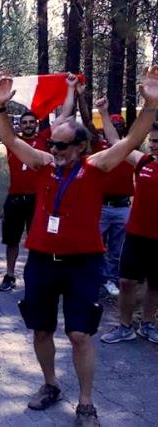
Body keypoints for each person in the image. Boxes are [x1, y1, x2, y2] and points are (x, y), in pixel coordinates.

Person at [0, 66, 158, 426]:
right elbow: (10, 141)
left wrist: (151, 106)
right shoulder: (43, 164)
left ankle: (86, 403)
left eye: (62, 145)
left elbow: (131, 142)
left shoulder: (96, 166)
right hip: (41, 261)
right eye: (52, 144)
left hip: (83, 263)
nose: (54, 149)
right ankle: (50, 384)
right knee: (41, 329)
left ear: (81, 146)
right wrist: (1, 109)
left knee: (80, 334)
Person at [0, 74, 75, 292]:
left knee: (39, 239)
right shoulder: (13, 142)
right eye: (25, 123)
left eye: (32, 122)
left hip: (38, 199)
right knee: (11, 240)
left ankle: (38, 276)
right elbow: (5, 129)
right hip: (15, 198)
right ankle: (10, 275)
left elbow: (66, 114)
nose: (29, 125)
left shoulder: (44, 138)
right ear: (19, 125)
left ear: (37, 124)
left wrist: (69, 88)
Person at [99, 120, 158, 345]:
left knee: (154, 284)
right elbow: (116, 142)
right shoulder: (143, 162)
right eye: (151, 141)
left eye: (157, 142)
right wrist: (103, 113)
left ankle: (148, 325)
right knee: (125, 281)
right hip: (136, 235)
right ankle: (125, 327)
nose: (153, 145)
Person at [83, 97, 134, 297]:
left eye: (119, 125)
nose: (116, 127)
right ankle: (95, 278)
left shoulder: (130, 150)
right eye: (113, 125)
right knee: (95, 244)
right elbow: (87, 123)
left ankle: (111, 280)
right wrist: (80, 96)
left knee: (117, 249)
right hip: (101, 205)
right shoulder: (99, 147)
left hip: (122, 206)